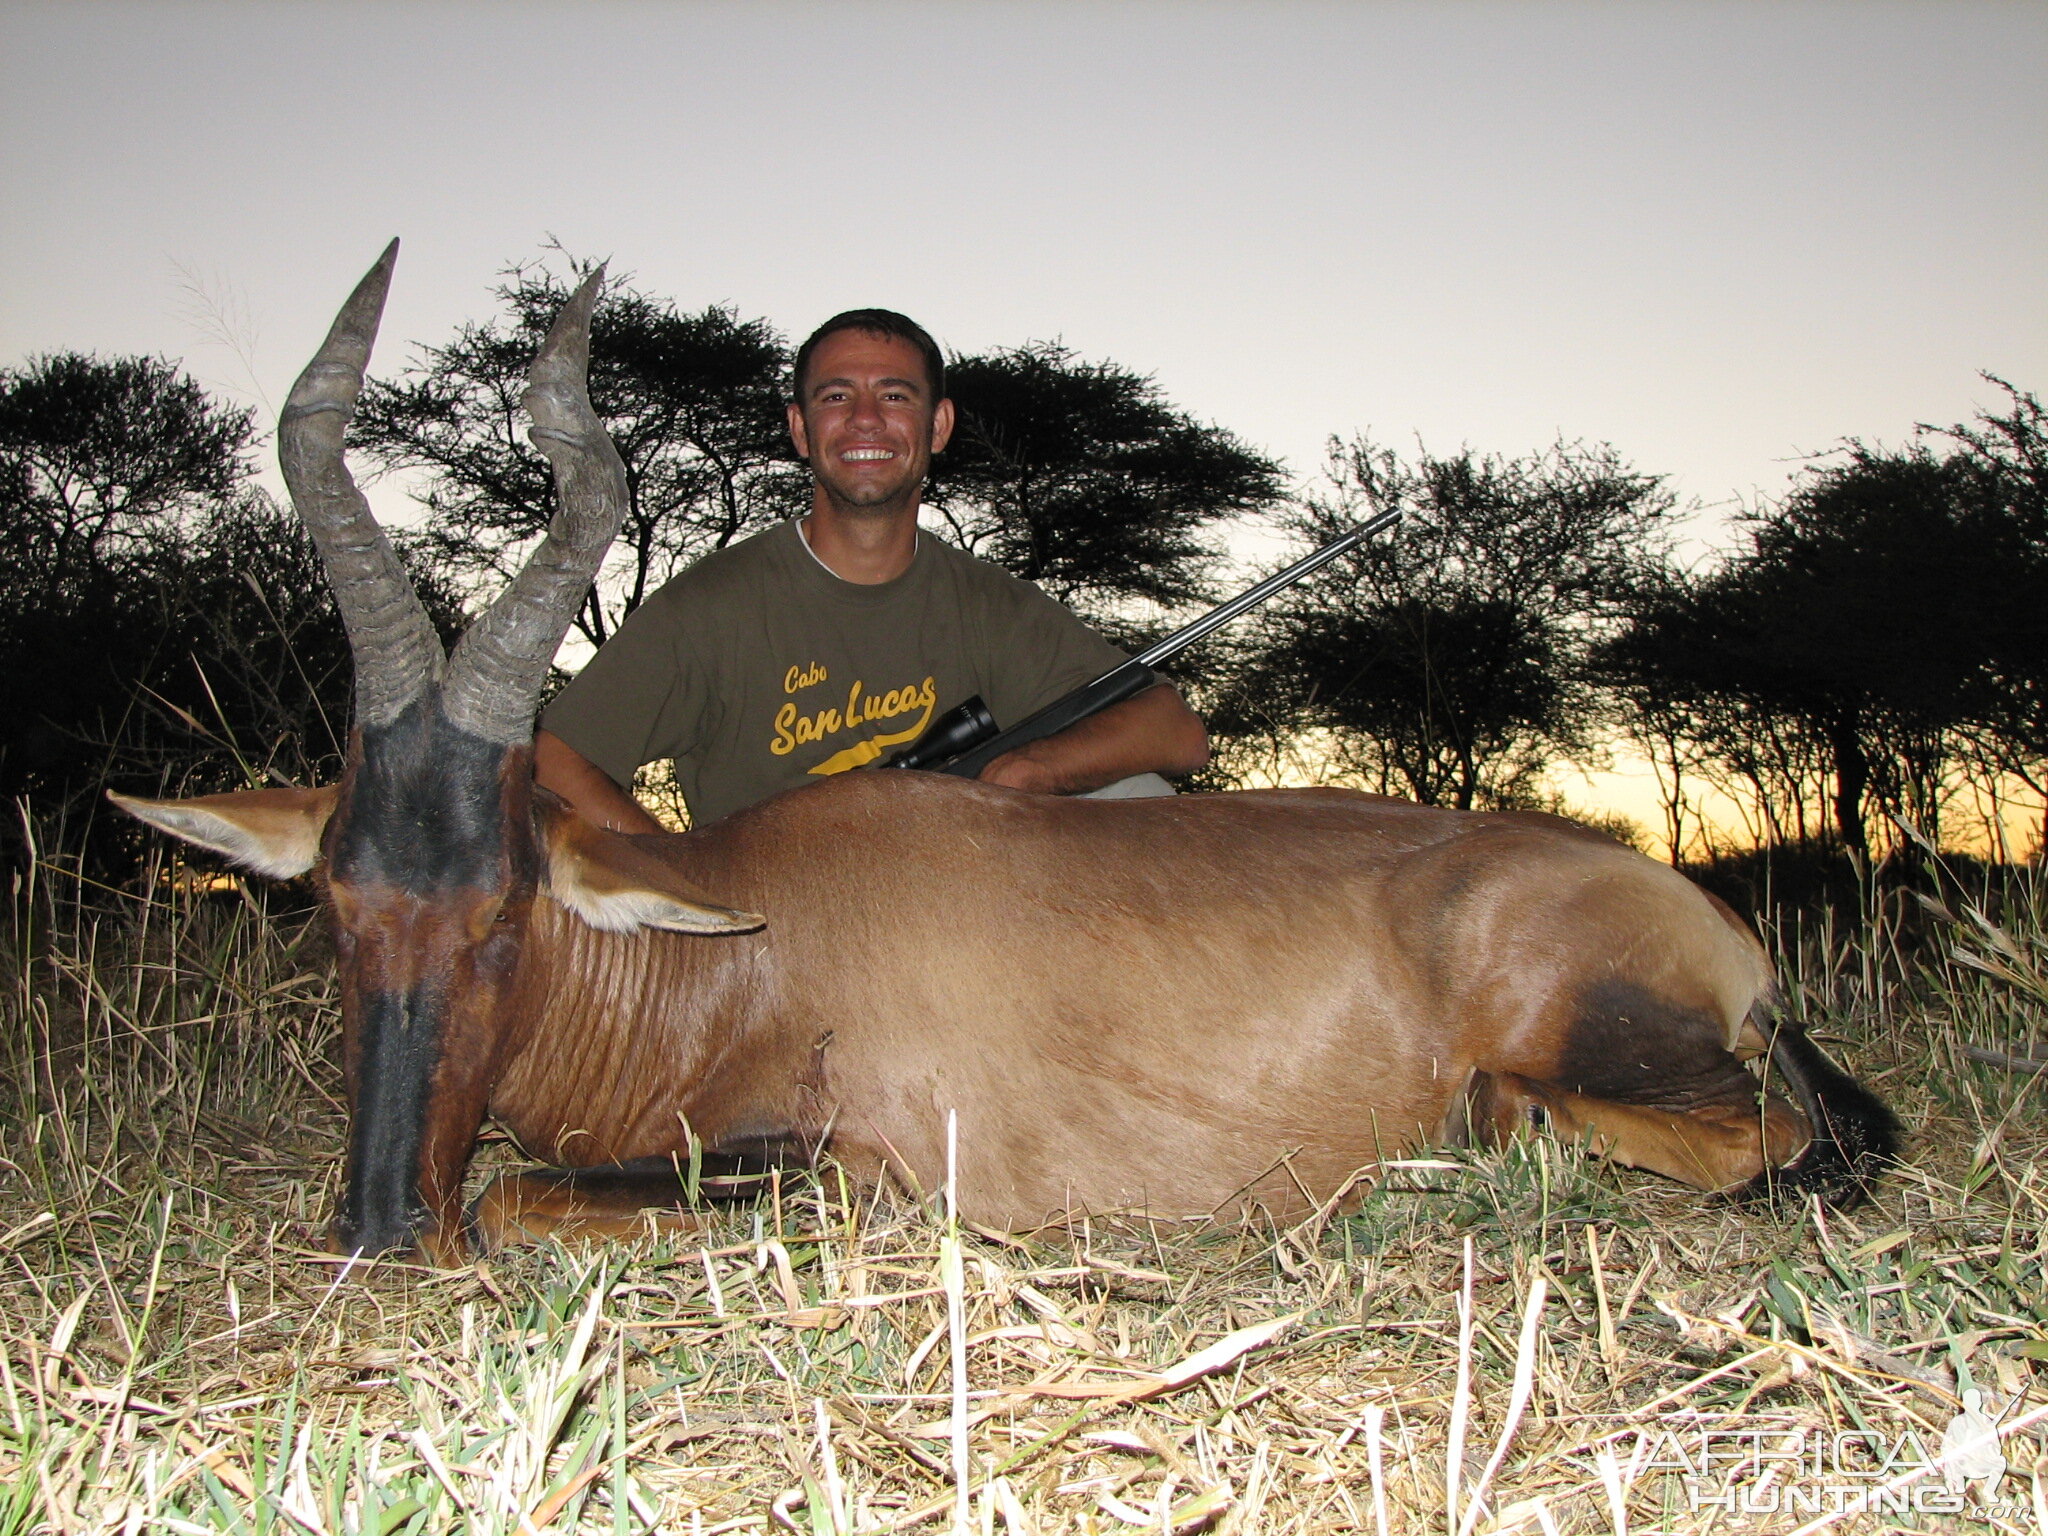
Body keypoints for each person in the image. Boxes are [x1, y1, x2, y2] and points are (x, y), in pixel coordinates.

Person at [534, 309, 1208, 832]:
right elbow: (556, 757)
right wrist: (671, 877)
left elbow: (1174, 730)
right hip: (778, 931)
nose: (864, 421)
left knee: (1136, 798)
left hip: (950, 899)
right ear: (800, 430)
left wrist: (1033, 771)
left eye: (893, 397)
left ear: (938, 426)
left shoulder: (985, 602)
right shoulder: (712, 605)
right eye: (835, 398)